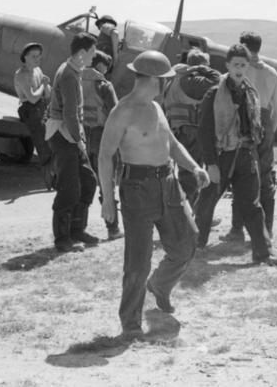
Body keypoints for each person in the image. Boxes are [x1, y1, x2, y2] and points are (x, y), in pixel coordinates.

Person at [99, 50, 210, 340]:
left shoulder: (157, 107)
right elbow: (104, 155)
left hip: (168, 185)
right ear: (154, 80)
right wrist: (108, 201)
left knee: (186, 244)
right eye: (166, 80)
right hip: (137, 189)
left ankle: (159, 286)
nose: (168, 85)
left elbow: (172, 144)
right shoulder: (123, 111)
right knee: (138, 262)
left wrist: (194, 167)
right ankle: (131, 324)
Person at [193, 44, 277, 266]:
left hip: (245, 156)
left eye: (243, 64)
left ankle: (264, 253)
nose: (240, 68)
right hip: (222, 156)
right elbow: (204, 131)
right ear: (227, 66)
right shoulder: (213, 94)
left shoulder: (251, 93)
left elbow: (257, 127)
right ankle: (195, 245)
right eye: (236, 64)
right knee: (206, 203)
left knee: (252, 205)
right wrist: (211, 164)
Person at [222, 31, 277, 240]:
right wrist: (269, 132)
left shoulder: (241, 70)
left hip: (244, 121)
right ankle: (267, 229)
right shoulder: (272, 73)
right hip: (265, 121)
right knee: (265, 177)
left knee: (240, 175)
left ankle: (237, 229)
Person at [44, 32, 101, 252]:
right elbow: (69, 113)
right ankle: (62, 239)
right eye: (93, 52)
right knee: (69, 189)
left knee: (88, 181)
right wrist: (79, 141)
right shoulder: (68, 74)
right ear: (82, 53)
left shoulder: (73, 71)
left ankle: (77, 230)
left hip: (70, 133)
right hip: (63, 134)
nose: (94, 56)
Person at [162, 48, 221, 206]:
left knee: (183, 174)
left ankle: (188, 210)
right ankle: (190, 215)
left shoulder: (172, 79)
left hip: (175, 130)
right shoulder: (193, 81)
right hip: (191, 131)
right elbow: (217, 79)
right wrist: (202, 68)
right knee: (191, 175)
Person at [82, 50, 123, 240]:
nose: (106, 71)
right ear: (100, 65)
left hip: (82, 135)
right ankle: (113, 228)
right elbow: (116, 114)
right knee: (107, 183)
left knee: (85, 181)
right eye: (106, 66)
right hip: (102, 136)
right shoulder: (104, 85)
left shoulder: (76, 80)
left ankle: (77, 228)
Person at [13, 42, 54, 189]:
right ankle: (50, 179)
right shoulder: (21, 74)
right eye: (33, 56)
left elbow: (47, 94)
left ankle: (54, 174)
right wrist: (44, 84)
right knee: (42, 139)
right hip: (29, 109)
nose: (37, 59)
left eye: (39, 56)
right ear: (25, 57)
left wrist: (46, 85)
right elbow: (32, 98)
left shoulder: (37, 70)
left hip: (41, 105)